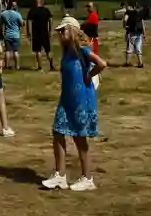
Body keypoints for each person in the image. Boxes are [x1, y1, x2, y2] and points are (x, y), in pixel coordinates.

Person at [41, 16, 106, 192]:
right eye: (59, 31)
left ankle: (87, 177)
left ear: (73, 30)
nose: (60, 33)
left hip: (81, 100)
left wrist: (89, 75)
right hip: (67, 99)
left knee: (79, 137)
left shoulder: (81, 50)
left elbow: (101, 64)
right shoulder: (67, 52)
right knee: (58, 131)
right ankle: (60, 176)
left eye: (64, 30)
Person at [27, 0, 53, 71]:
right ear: (41, 1)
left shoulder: (32, 10)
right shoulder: (46, 10)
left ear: (34, 2)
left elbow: (29, 22)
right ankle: (51, 66)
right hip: (45, 32)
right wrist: (50, 30)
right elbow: (50, 20)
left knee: (38, 50)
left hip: (36, 33)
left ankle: (40, 67)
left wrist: (29, 32)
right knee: (48, 51)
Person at [123, 1, 146, 68]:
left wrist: (125, 26)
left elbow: (125, 20)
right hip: (139, 32)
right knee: (138, 48)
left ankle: (127, 62)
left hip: (132, 31)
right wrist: (144, 34)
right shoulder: (140, 12)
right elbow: (142, 24)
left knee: (130, 47)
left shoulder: (129, 12)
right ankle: (140, 63)